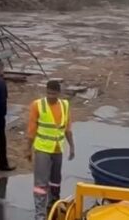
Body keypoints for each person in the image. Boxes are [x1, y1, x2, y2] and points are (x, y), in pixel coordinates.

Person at [27, 80, 74, 220]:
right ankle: (40, 214)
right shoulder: (38, 105)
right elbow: (31, 129)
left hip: (57, 149)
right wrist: (28, 149)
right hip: (42, 149)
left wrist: (72, 146)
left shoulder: (65, 105)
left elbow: (67, 129)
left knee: (55, 181)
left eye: (53, 93)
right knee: (41, 184)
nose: (50, 96)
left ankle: (53, 205)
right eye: (48, 93)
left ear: (59, 93)